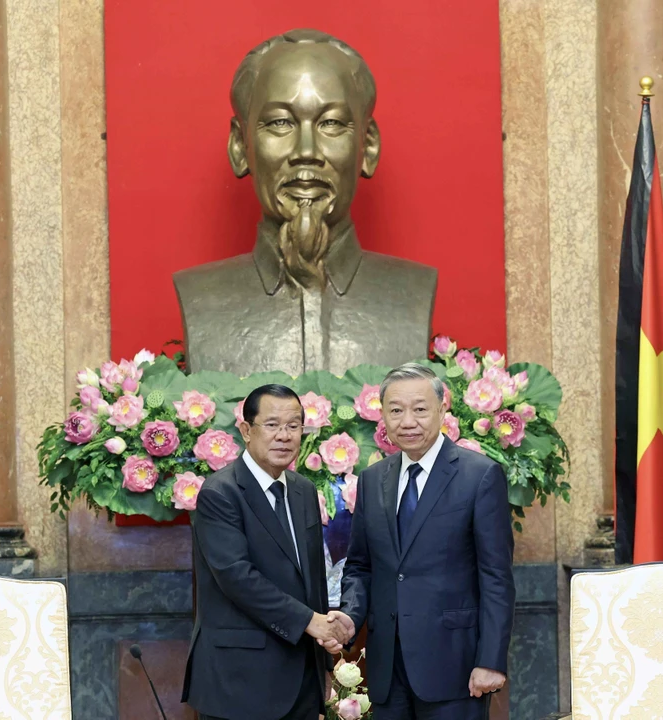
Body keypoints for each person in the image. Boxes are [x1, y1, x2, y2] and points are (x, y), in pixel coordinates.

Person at [173, 29, 436, 377]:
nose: (307, 152)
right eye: (280, 123)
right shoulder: (201, 297)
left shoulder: (413, 292)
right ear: (240, 146)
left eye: (331, 123)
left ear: (367, 147)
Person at [333, 363, 516, 719]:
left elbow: (496, 576)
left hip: (456, 666)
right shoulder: (372, 480)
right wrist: (350, 616)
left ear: (442, 409)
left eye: (420, 409)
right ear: (382, 415)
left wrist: (491, 660)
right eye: (396, 410)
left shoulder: (479, 476)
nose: (407, 421)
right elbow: (360, 565)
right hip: (387, 666)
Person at [182, 384, 342, 720]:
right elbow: (237, 577)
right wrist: (310, 622)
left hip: (301, 679)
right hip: (240, 681)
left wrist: (323, 664)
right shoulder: (220, 493)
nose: (284, 436)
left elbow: (312, 579)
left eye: (293, 426)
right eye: (271, 425)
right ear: (245, 431)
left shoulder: (303, 490)